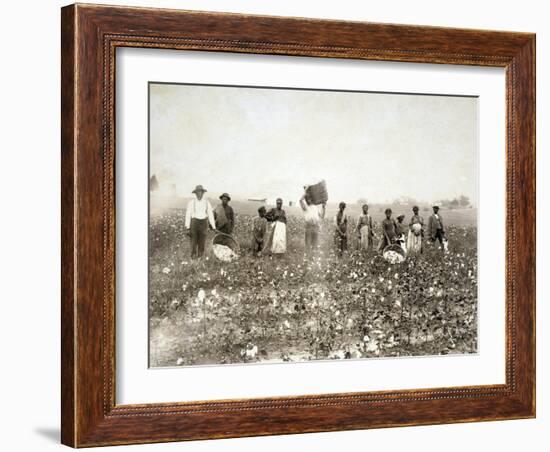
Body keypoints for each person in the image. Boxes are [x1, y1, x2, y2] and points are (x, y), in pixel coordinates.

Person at [184, 185, 216, 259]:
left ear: (203, 193)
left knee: (202, 241)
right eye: (198, 192)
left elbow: (210, 215)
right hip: (194, 223)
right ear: (195, 193)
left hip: (203, 223)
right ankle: (193, 257)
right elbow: (188, 215)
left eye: (201, 192)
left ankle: (200, 257)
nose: (199, 194)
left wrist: (213, 226)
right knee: (193, 241)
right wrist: (187, 227)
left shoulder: (207, 203)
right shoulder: (191, 203)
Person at [300, 188, 326, 254]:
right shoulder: (306, 207)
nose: (310, 200)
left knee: (314, 244)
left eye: (311, 198)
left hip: (315, 227)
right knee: (308, 244)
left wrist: (323, 207)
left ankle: (313, 259)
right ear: (307, 200)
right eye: (308, 199)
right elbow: (300, 200)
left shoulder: (316, 208)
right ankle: (307, 259)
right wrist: (305, 192)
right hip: (309, 226)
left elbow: (322, 216)